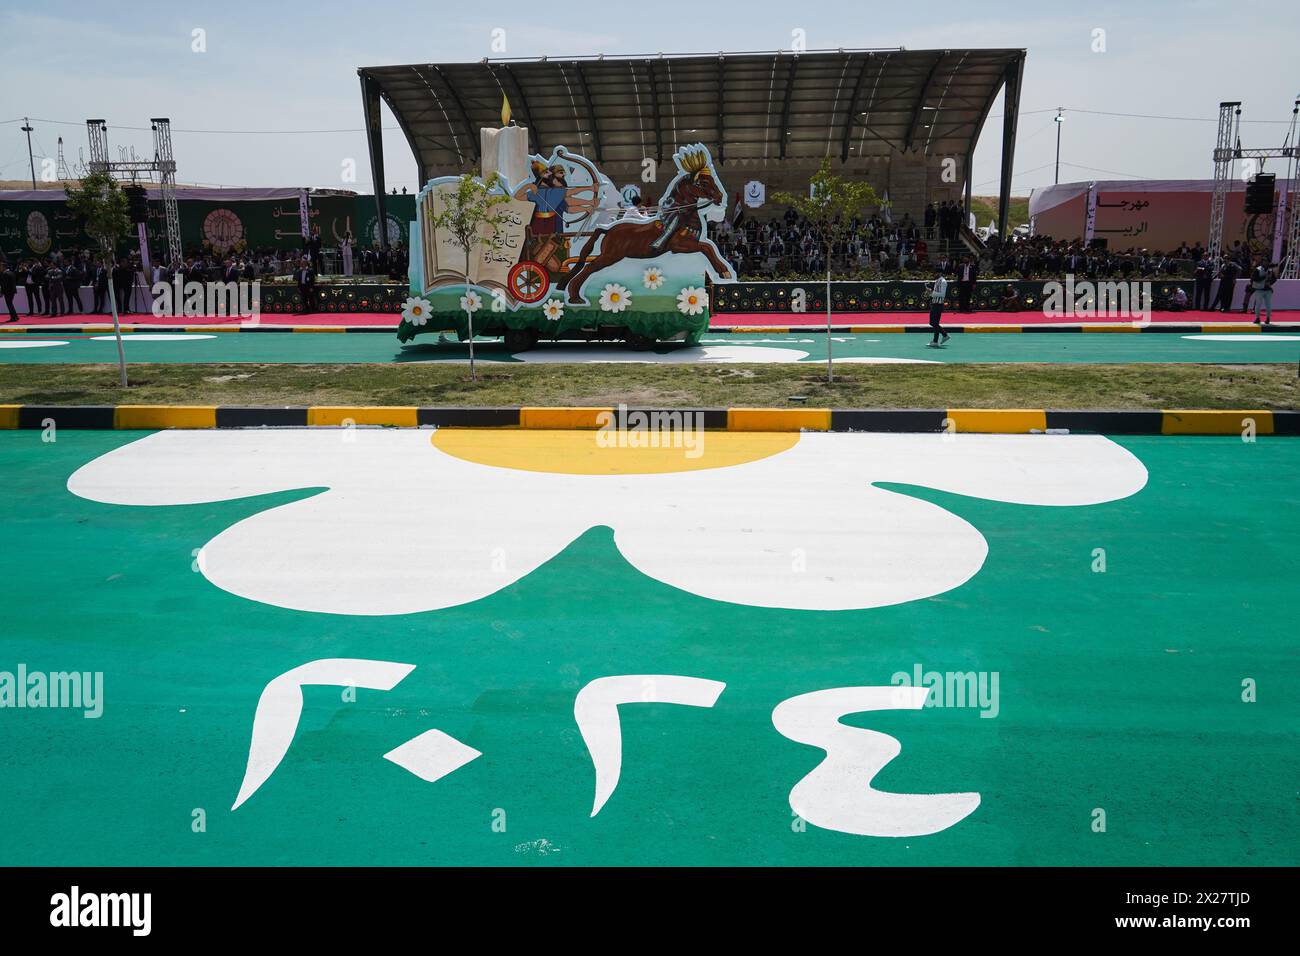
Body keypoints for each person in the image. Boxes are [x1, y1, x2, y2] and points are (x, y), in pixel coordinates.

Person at [927, 268, 950, 348]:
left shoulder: (943, 282)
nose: (934, 274)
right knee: (933, 323)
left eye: (935, 273)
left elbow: (942, 294)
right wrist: (930, 292)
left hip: (938, 304)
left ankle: (939, 338)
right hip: (934, 303)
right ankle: (940, 338)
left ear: (939, 273)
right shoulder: (937, 281)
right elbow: (935, 293)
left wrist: (932, 293)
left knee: (934, 323)